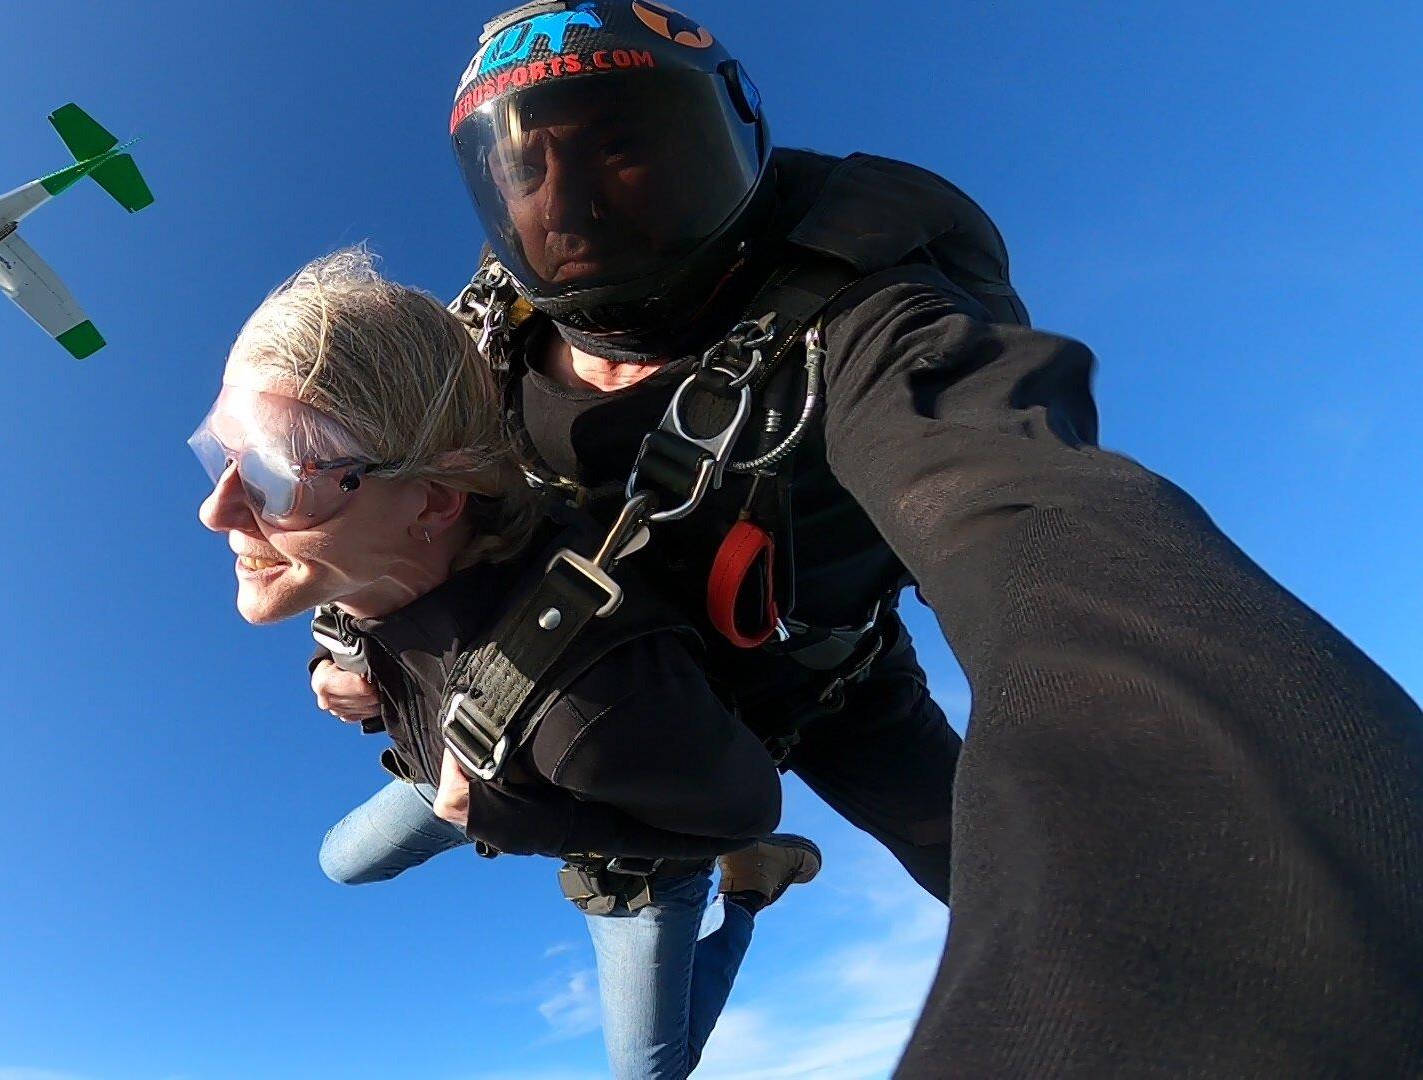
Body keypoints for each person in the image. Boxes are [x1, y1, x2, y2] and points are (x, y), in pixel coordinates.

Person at [316, 1, 1423, 1072]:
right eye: (529, 166)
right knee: (344, 862)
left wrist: (1237, 947)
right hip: (573, 712)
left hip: (825, 697)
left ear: (729, 137)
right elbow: (357, 496)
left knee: (974, 884)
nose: (573, 199)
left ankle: (728, 874)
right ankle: (742, 865)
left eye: (627, 143)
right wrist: (350, 642)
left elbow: (1037, 519)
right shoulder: (471, 365)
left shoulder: (858, 318)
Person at [194, 249, 821, 1078]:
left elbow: (746, 808)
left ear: (432, 501)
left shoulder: (588, 714)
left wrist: (518, 820)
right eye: (223, 453)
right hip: (465, 754)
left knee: (648, 1071)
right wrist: (340, 668)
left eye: (276, 475)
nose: (216, 509)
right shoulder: (374, 559)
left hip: (624, 837)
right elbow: (380, 614)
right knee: (341, 860)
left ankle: (746, 894)